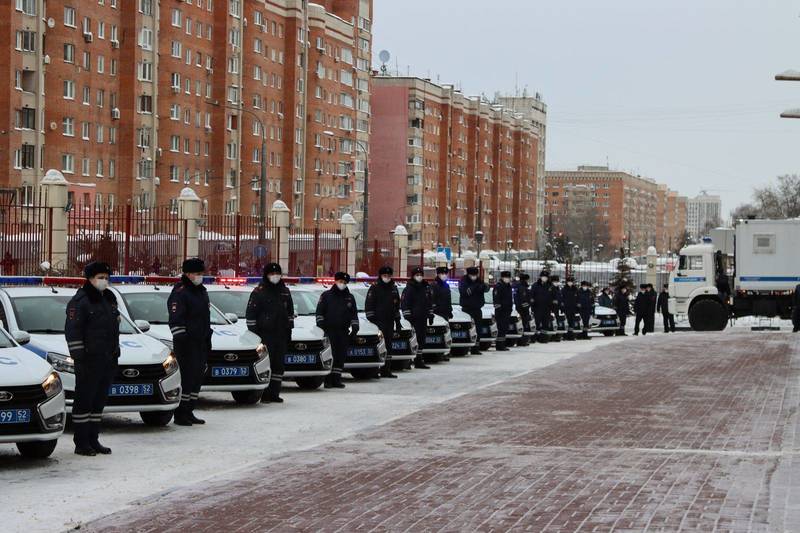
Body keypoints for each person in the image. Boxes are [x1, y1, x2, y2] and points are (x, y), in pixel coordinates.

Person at [65, 261, 120, 456]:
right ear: (89, 279)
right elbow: (73, 332)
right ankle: (81, 442)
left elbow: (114, 330)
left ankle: (93, 439)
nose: (104, 281)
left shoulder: (109, 299)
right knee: (84, 401)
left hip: (107, 360)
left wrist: (115, 353)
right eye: (100, 277)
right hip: (88, 361)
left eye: (106, 277)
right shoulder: (81, 301)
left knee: (98, 402)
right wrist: (80, 358)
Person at [168, 258, 212, 426]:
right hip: (186, 344)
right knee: (186, 380)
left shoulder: (202, 291)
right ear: (187, 274)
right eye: (197, 274)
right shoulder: (180, 292)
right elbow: (176, 320)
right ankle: (180, 414)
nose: (200, 276)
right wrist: (183, 341)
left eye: (202, 273)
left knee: (196, 379)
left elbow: (205, 319)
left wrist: (207, 339)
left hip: (200, 342)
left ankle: (189, 410)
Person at [245, 263, 295, 403]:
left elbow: (290, 313)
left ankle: (274, 393)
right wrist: (255, 335)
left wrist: (289, 331)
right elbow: (251, 314)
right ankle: (265, 394)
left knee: (279, 365)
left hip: (281, 334)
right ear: (266, 275)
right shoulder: (259, 292)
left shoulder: (285, 291)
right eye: (272, 274)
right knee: (267, 364)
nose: (275, 276)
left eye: (277, 273)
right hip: (265, 334)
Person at [315, 272, 359, 388]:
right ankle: (328, 380)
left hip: (343, 331)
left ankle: (337, 379)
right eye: (340, 282)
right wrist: (322, 327)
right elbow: (319, 312)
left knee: (340, 355)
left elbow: (354, 314)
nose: (342, 284)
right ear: (335, 281)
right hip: (329, 331)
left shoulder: (350, 297)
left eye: (344, 283)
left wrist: (355, 328)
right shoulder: (326, 295)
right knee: (331, 355)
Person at [364, 265, 401, 378]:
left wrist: (398, 321)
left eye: (389, 276)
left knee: (388, 346)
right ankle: (375, 370)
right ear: (380, 276)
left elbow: (396, 305)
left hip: (389, 321)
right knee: (378, 345)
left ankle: (386, 370)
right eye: (385, 275)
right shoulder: (375, 288)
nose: (387, 277)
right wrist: (373, 319)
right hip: (378, 321)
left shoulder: (393, 288)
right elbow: (369, 304)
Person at [401, 267, 433, 369]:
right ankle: (408, 361)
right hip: (413, 318)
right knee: (413, 339)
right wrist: (408, 317)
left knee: (421, 339)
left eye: (421, 275)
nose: (419, 277)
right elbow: (405, 304)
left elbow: (429, 302)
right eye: (417, 275)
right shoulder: (409, 288)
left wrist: (430, 315)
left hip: (423, 317)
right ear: (413, 276)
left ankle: (419, 360)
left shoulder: (425, 287)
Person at [459, 266, 489, 355]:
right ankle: (466, 347)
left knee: (478, 329)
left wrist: (483, 286)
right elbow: (466, 292)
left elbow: (486, 289)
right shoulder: (464, 281)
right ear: (468, 274)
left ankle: (476, 347)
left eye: (476, 275)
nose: (474, 276)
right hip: (467, 309)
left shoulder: (479, 281)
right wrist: (475, 287)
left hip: (477, 308)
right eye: (472, 275)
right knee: (468, 329)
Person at [492, 271, 514, 351]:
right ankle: (499, 345)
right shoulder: (498, 286)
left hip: (507, 311)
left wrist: (510, 308)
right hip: (501, 311)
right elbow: (496, 298)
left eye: (508, 277)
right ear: (502, 277)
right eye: (506, 277)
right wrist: (499, 309)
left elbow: (510, 299)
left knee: (504, 328)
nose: (507, 279)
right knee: (501, 328)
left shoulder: (508, 286)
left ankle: (502, 344)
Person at [531, 270, 554, 340]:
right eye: (543, 277)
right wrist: (532, 305)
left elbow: (553, 296)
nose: (544, 278)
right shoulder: (535, 285)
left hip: (547, 307)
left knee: (545, 323)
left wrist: (552, 306)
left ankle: (543, 337)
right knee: (537, 322)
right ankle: (536, 337)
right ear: (540, 277)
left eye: (546, 277)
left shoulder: (550, 286)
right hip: (537, 307)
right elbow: (531, 295)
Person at [514, 273, 533, 340]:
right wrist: (527, 304)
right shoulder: (521, 287)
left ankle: (523, 339)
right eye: (527, 280)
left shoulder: (523, 286)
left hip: (523, 308)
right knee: (523, 324)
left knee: (524, 324)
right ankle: (522, 340)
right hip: (522, 309)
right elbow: (522, 299)